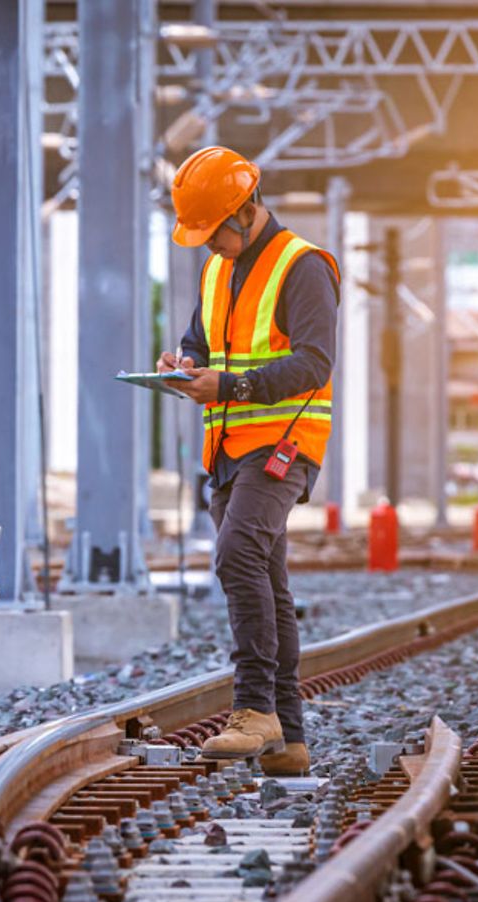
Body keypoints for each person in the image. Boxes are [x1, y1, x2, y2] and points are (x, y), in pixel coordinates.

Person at [158, 146, 340, 776]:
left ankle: (254, 707)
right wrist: (181, 366)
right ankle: (289, 738)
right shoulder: (216, 271)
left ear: (245, 210)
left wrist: (229, 388)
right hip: (227, 450)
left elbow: (315, 363)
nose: (211, 248)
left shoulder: (303, 267)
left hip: (284, 444)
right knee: (267, 577)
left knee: (237, 556)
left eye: (215, 234)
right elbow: (199, 341)